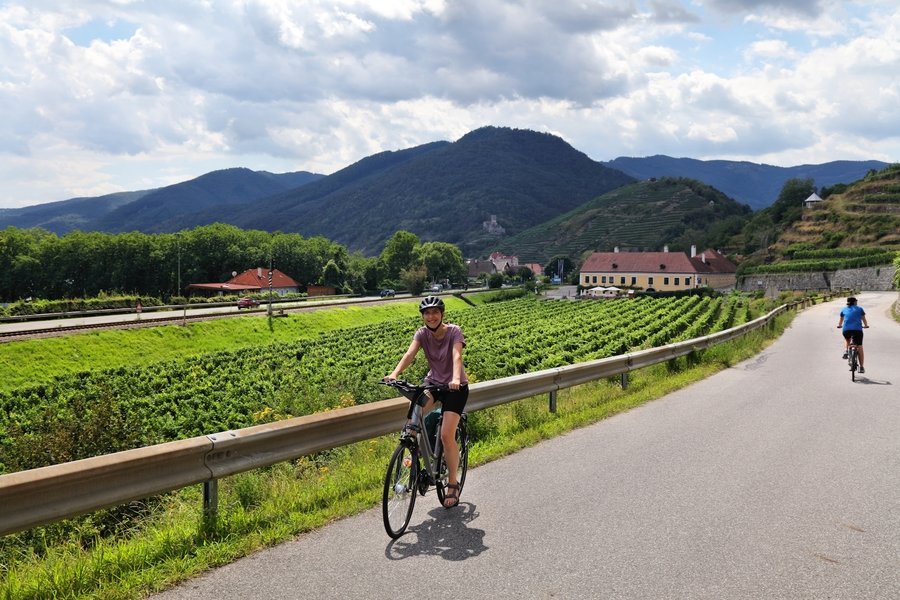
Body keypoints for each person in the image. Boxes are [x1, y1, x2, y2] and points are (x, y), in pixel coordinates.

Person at [385, 296, 469, 508]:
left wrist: (455, 378)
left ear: (442, 314)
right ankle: (415, 451)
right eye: (427, 313)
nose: (431, 317)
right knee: (414, 415)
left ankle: (452, 484)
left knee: (446, 435)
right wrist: (394, 373)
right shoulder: (422, 334)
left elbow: (456, 356)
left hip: (455, 387)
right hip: (433, 383)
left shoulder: (454, 331)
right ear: (423, 316)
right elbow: (409, 354)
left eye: (435, 312)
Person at [837, 296, 869, 373]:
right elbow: (864, 319)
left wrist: (839, 325)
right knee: (860, 346)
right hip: (857, 330)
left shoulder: (844, 309)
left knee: (847, 339)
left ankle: (846, 351)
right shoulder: (860, 309)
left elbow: (841, 320)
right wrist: (866, 325)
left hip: (846, 329)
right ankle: (861, 367)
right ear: (855, 302)